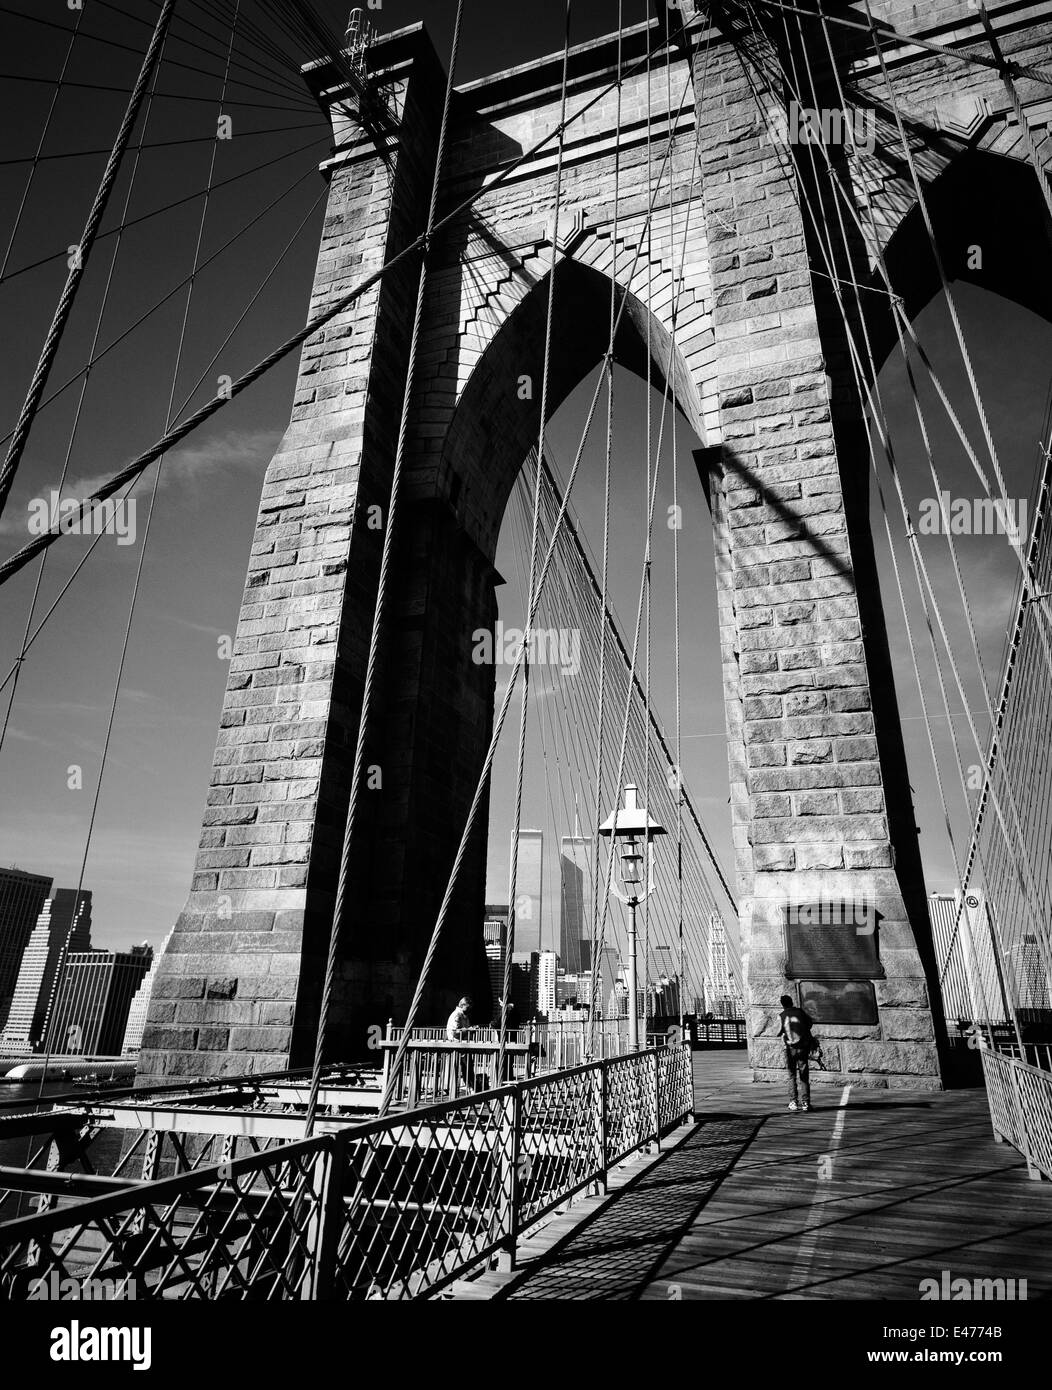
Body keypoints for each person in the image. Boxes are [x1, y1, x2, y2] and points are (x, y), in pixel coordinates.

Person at [777, 993, 814, 1112]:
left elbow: (777, 1031)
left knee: (791, 1075)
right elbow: (809, 1024)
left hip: (790, 1048)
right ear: (792, 1002)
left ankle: (793, 1102)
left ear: (782, 1005)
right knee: (804, 1075)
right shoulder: (801, 1012)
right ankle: (806, 1103)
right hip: (802, 1047)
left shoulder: (781, 1015)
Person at [445, 996, 472, 1093]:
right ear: (463, 1005)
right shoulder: (457, 1015)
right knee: (460, 1066)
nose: (469, 1009)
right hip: (456, 1043)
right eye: (467, 1007)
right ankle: (451, 1087)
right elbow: (455, 1031)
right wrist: (468, 1030)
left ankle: (467, 1086)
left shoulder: (463, 1015)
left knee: (465, 1066)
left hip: (462, 1043)